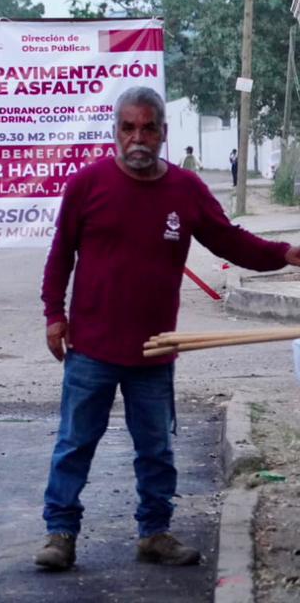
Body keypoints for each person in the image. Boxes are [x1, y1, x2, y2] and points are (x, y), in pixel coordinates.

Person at [36, 86, 300, 572]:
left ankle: (154, 532)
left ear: (163, 132)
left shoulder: (185, 190)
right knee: (75, 444)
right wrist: (55, 314)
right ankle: (61, 533)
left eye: (148, 128)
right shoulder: (87, 185)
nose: (138, 138)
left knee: (156, 448)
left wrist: (283, 253)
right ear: (115, 132)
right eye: (128, 128)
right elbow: (60, 257)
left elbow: (229, 241)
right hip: (91, 346)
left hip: (156, 347)